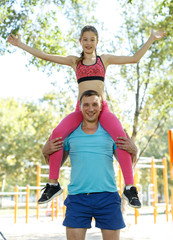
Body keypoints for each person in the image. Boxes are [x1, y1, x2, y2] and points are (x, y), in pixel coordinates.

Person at [7, 25, 165, 207]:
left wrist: (151, 38)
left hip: (102, 109)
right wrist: (20, 45)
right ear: (80, 41)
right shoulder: (74, 62)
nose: (88, 43)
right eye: (85, 39)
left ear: (97, 42)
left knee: (120, 136)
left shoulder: (104, 60)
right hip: (80, 109)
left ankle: (130, 187)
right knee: (57, 133)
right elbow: (45, 55)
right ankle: (53, 184)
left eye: (92, 39)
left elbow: (134, 58)